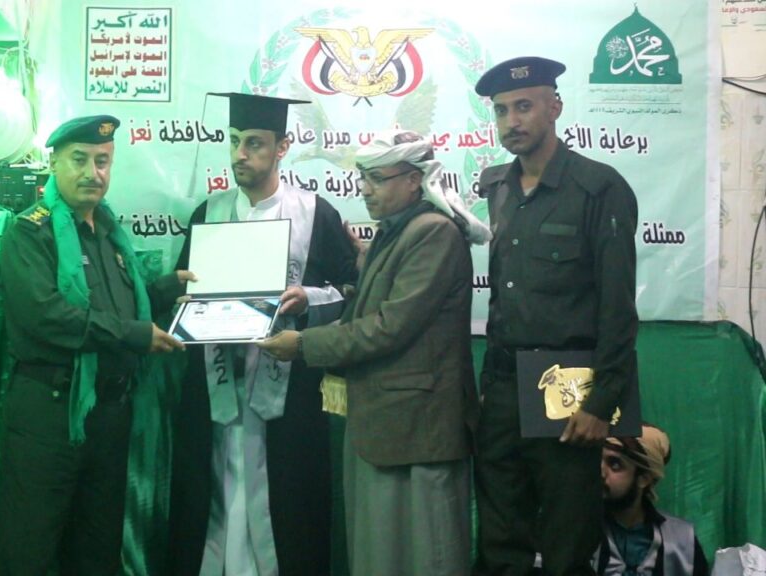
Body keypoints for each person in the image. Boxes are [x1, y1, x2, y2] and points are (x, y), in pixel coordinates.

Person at [260, 129, 490, 575]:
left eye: (376, 179)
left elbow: (389, 328)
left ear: (414, 180)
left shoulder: (433, 233)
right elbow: (374, 302)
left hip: (418, 432)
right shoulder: (396, 232)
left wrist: (304, 345)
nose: (363, 189)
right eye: (362, 177)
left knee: (426, 558)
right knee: (380, 557)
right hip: (385, 424)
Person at [168, 92, 358, 576]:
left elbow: (352, 292)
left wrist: (307, 299)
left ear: (282, 147)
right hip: (216, 391)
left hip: (286, 395)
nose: (239, 154)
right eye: (234, 141)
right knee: (212, 495)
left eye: (254, 143)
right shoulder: (207, 214)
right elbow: (183, 291)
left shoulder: (316, 214)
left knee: (287, 509)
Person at [0, 114, 193, 575]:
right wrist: (135, 335)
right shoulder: (30, 232)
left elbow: (121, 304)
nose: (92, 172)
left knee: (97, 551)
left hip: (108, 417)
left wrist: (165, 290)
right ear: (54, 163)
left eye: (102, 161)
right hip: (49, 415)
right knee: (29, 551)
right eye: (79, 160)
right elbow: (46, 317)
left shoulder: (108, 232)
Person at [471, 56, 641, 576]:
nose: (511, 121)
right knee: (500, 538)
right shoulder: (498, 187)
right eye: (501, 110)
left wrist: (601, 403)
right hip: (503, 389)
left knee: (568, 541)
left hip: (567, 394)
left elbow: (618, 309)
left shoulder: (598, 187)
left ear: (555, 107)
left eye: (524, 106)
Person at [595, 424, 708, 575]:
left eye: (615, 465)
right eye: (598, 462)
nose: (601, 473)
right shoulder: (579, 533)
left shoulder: (682, 540)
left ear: (644, 479)